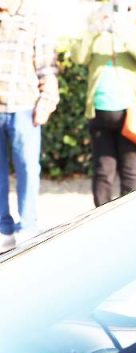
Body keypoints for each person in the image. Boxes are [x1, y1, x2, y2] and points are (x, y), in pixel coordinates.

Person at [75, 0, 136, 207]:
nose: (121, 12)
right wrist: (92, 29)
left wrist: (125, 33)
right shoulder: (99, 35)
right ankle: (101, 222)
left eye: (128, 8)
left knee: (131, 172)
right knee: (103, 172)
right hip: (100, 113)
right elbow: (78, 57)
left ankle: (132, 223)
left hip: (134, 116)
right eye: (116, 7)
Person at [0, 0, 58, 254]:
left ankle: (29, 228)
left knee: (27, 169)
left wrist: (47, 101)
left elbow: (47, 68)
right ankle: (3, 230)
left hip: (24, 106)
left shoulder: (35, 18)